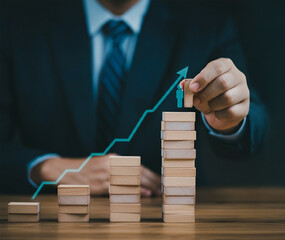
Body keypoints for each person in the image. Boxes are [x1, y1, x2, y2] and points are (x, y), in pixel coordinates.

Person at [0, 0, 269, 196]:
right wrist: (46, 168)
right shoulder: (18, 20)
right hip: (52, 219)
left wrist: (230, 118)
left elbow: (254, 123)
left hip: (165, 213)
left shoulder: (208, 23)